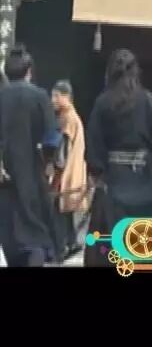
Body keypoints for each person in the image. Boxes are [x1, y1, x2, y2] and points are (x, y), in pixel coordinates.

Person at [84, 49, 152, 266]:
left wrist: (98, 172)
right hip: (144, 179)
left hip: (112, 181)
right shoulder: (150, 101)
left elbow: (94, 144)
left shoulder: (102, 103)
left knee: (108, 242)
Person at [0, 45, 61, 266]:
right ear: (29, 72)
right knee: (36, 235)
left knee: (9, 234)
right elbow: (52, 137)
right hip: (32, 175)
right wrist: (49, 161)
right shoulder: (39, 96)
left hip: (4, 178)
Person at [50, 80, 89, 258]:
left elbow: (62, 153)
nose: (53, 100)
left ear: (67, 97)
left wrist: (56, 173)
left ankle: (62, 246)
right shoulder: (70, 117)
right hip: (72, 170)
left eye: (56, 96)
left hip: (66, 172)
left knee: (59, 210)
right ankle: (71, 242)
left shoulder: (68, 118)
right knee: (66, 213)